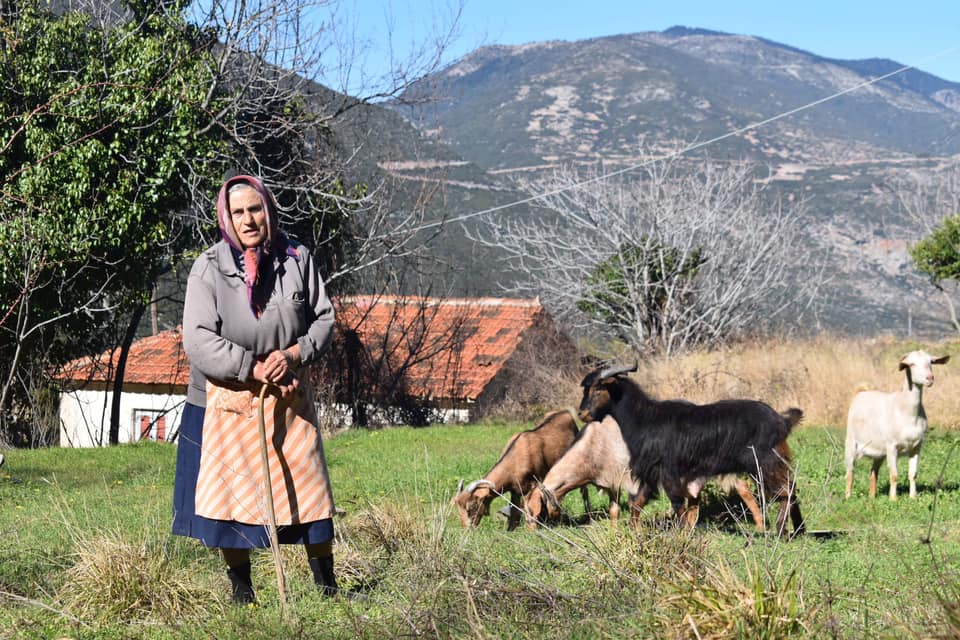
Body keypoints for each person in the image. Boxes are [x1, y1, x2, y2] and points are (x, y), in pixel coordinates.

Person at [172, 174, 338, 603]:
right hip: (227, 398)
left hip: (287, 393)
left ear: (269, 211)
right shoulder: (208, 268)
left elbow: (324, 318)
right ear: (225, 218)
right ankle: (243, 593)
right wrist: (251, 366)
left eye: (256, 209)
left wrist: (296, 353)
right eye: (238, 212)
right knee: (232, 496)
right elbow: (199, 340)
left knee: (309, 489)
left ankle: (327, 588)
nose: (249, 219)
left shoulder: (298, 258)